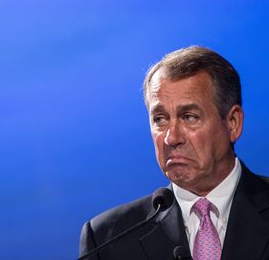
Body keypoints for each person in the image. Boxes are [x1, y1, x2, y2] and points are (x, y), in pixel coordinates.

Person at [79, 46, 269, 260]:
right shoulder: (107, 239)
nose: (171, 138)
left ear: (233, 123)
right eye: (160, 119)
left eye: (189, 117)